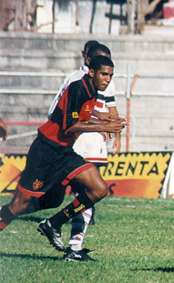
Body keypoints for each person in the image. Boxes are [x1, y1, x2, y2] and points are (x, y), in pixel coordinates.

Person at [0, 56, 126, 257]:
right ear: (91, 72)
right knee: (19, 205)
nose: (107, 79)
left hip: (65, 153)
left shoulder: (92, 91)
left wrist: (100, 117)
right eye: (104, 74)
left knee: (98, 189)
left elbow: (76, 116)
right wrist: (105, 125)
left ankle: (53, 224)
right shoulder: (78, 88)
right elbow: (69, 125)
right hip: (46, 152)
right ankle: (6, 215)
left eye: (111, 75)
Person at [42, 42, 121, 261]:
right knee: (87, 194)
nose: (107, 76)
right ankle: (63, 235)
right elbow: (73, 116)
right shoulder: (83, 82)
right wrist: (104, 126)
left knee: (60, 196)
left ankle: (72, 245)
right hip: (83, 139)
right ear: (90, 63)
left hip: (76, 140)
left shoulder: (77, 78)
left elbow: (54, 111)